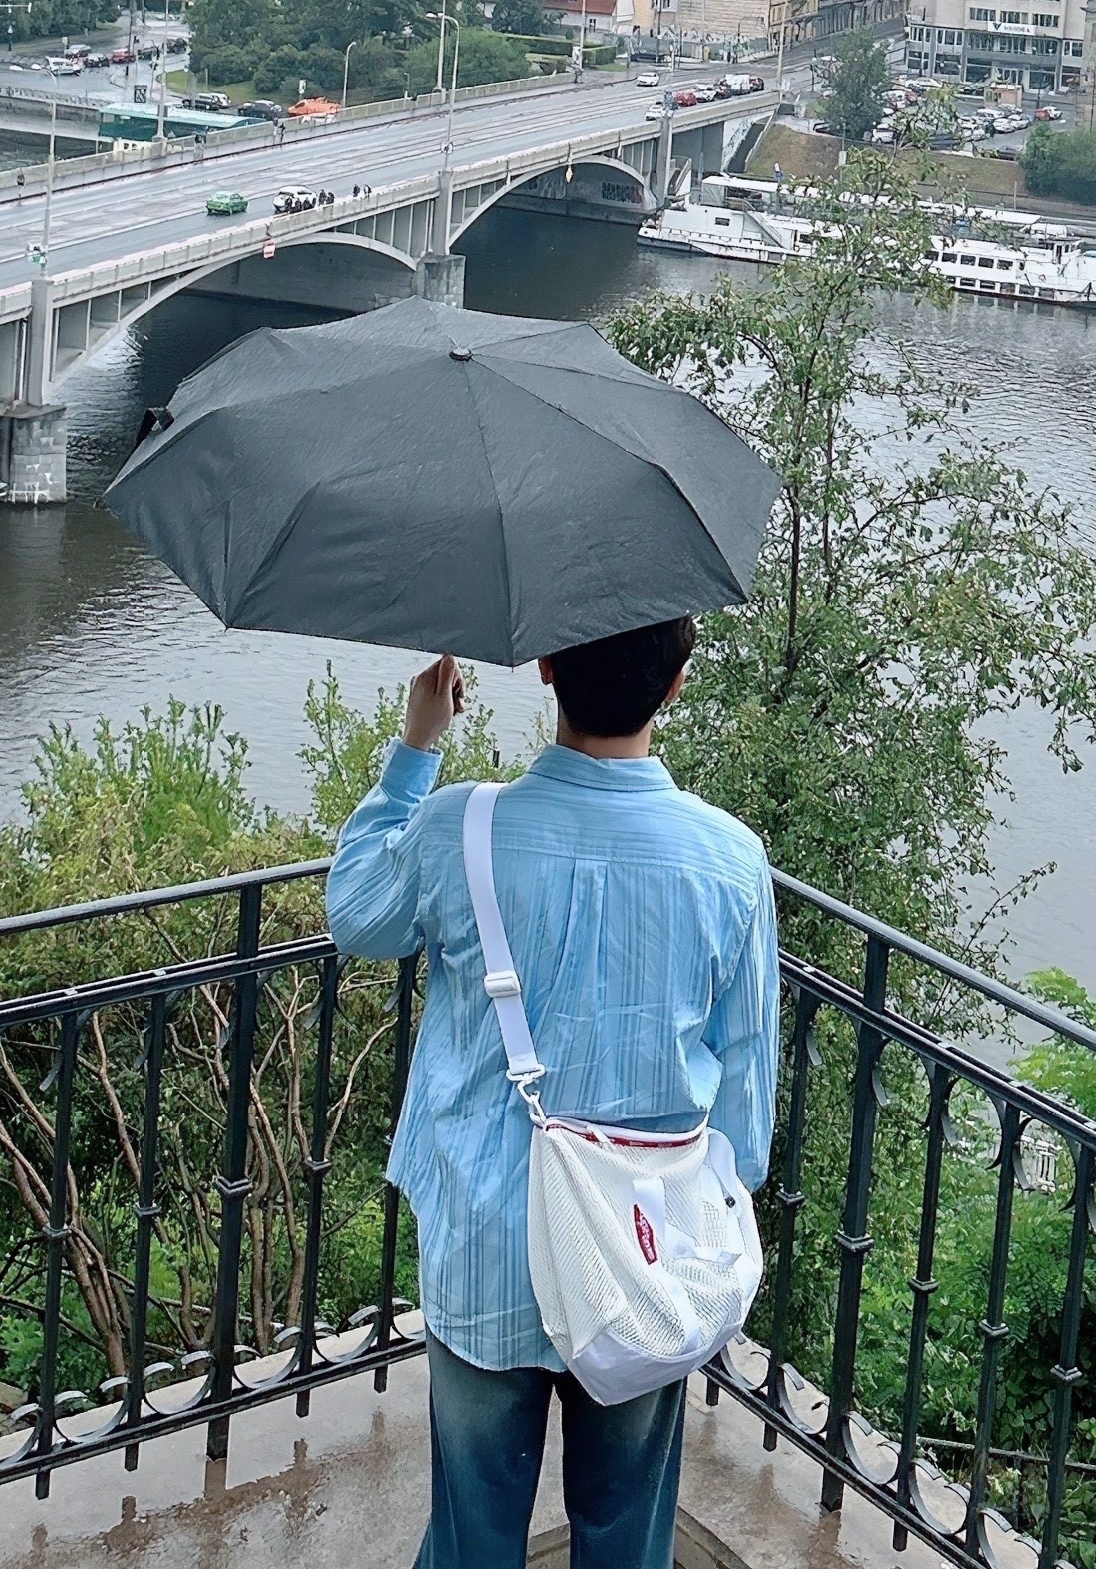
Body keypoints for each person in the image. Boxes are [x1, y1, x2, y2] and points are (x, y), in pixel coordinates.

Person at [326, 621, 776, 1569]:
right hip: (642, 1256)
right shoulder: (731, 862)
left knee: (472, 1532)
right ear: (677, 685)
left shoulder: (461, 829)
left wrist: (416, 748)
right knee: (625, 1533)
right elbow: (745, 1100)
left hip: (485, 1242)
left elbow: (357, 917)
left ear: (544, 666)